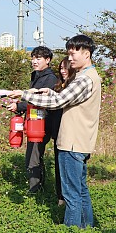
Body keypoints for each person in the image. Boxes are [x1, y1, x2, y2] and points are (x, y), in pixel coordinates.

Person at [8, 34, 101, 228]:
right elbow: (65, 98)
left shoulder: (84, 79)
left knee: (71, 194)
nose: (70, 58)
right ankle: (87, 229)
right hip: (80, 141)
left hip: (72, 142)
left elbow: (57, 102)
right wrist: (49, 92)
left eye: (73, 54)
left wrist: (25, 95)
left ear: (87, 53)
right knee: (81, 190)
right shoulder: (89, 77)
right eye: (69, 53)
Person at [7, 46, 58, 194]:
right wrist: (19, 107)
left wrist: (19, 105)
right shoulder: (36, 75)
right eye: (33, 58)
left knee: (33, 156)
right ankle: (36, 186)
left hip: (43, 123)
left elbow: (40, 100)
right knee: (32, 155)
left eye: (38, 58)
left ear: (47, 60)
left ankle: (35, 190)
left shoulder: (50, 78)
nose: (34, 61)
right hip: (34, 122)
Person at [50, 57, 77, 206]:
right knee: (59, 166)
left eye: (65, 68)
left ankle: (68, 200)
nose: (62, 71)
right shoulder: (59, 86)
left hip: (69, 134)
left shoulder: (73, 87)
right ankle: (60, 196)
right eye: (60, 68)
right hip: (58, 133)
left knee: (68, 168)